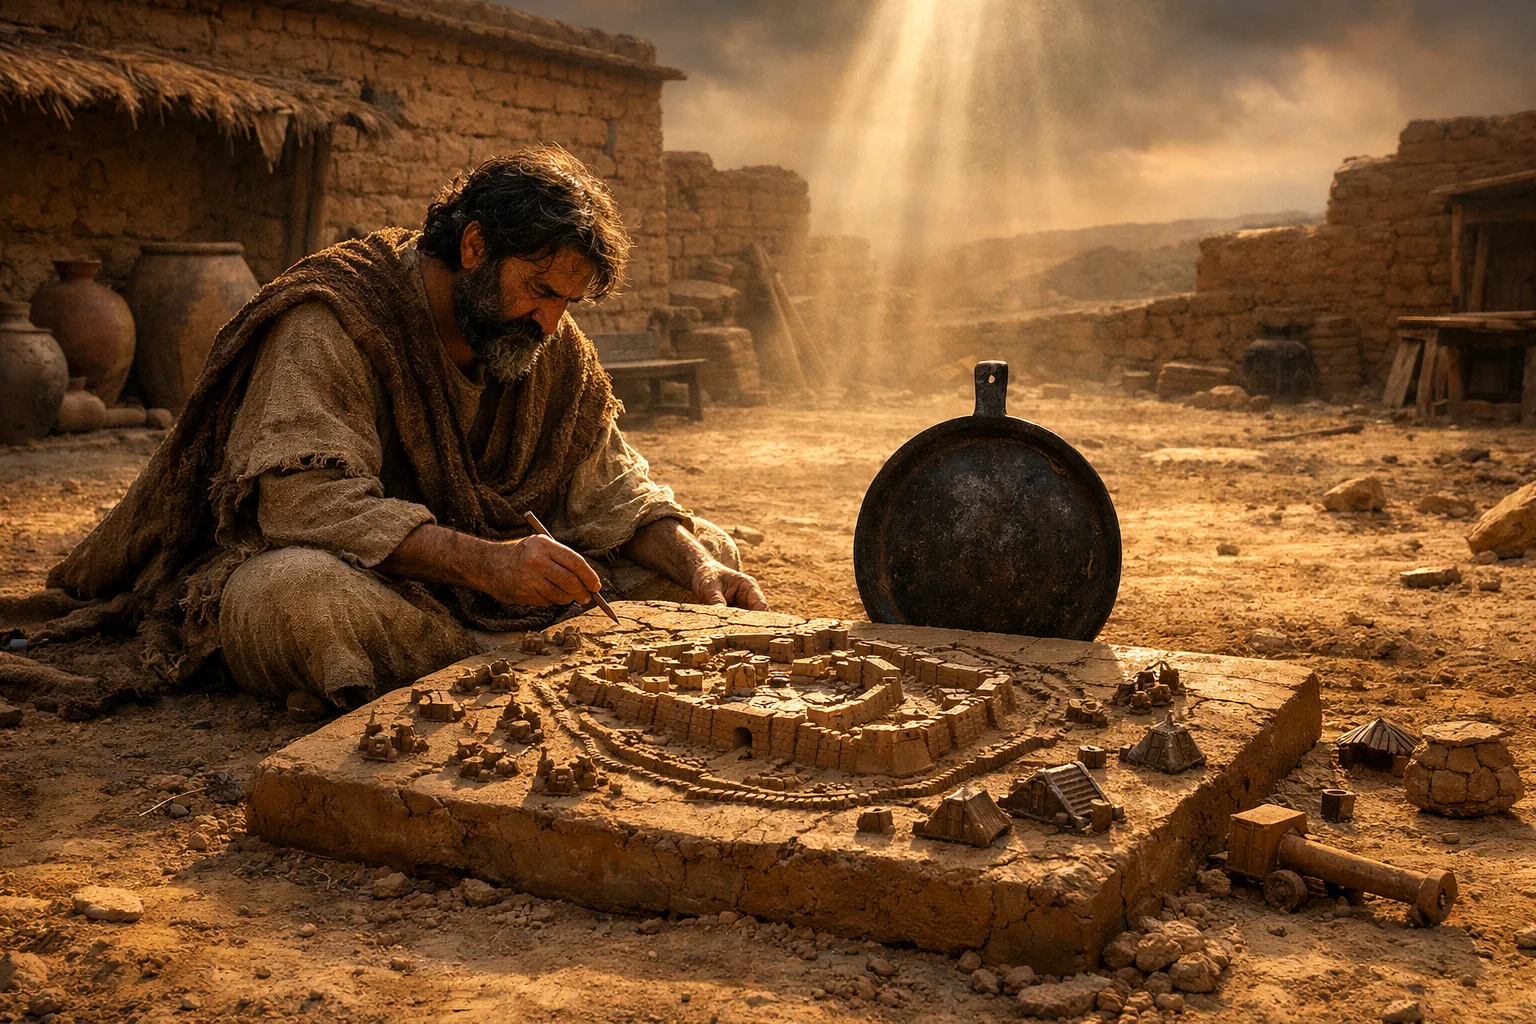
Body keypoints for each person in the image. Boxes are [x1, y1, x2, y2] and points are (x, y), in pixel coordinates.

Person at [43, 145, 766, 708]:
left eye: (569, 303)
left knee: (705, 553)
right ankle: (511, 660)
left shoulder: (546, 339)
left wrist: (697, 564)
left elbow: (610, 487)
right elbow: (303, 504)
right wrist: (486, 565)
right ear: (476, 247)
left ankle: (486, 662)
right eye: (541, 291)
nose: (552, 322)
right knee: (296, 598)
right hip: (369, 577)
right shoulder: (336, 316)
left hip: (494, 589)